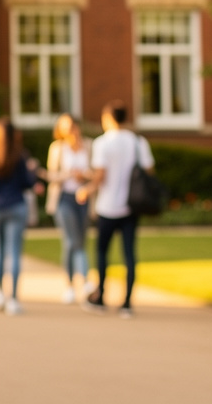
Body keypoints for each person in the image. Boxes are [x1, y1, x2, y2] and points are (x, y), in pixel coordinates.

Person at [77, 100, 155, 319]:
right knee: (129, 254)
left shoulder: (103, 143)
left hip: (108, 206)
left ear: (109, 119)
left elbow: (100, 175)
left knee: (102, 252)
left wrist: (87, 188)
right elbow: (149, 170)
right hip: (131, 206)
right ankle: (127, 302)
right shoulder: (138, 142)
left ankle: (101, 297)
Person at [0, 116, 41, 316]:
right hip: (16, 206)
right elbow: (27, 182)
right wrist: (32, 173)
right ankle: (13, 298)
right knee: (14, 253)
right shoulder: (19, 156)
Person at [43, 113, 93, 304]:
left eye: (72, 126)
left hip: (83, 198)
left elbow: (96, 172)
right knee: (71, 241)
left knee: (81, 240)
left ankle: (81, 282)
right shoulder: (57, 149)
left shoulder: (88, 146)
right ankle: (77, 282)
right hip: (63, 199)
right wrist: (68, 175)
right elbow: (51, 175)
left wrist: (84, 175)